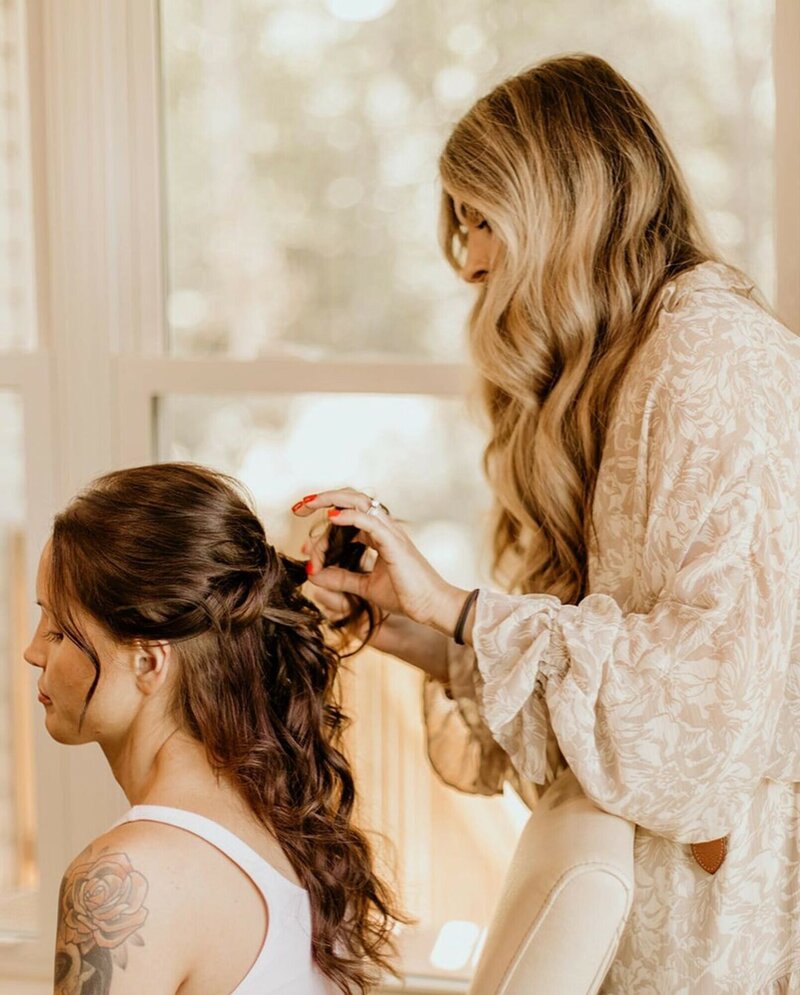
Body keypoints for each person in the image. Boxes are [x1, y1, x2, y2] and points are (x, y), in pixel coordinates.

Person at [293, 54, 800, 992]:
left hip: (716, 919)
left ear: (562, 204)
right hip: (658, 896)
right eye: (459, 225)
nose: (469, 259)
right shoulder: (640, 358)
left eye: (481, 218)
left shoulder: (712, 356)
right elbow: (603, 680)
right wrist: (416, 625)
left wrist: (461, 606)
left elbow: (710, 699)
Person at [25, 463, 402, 995]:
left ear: (149, 662)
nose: (33, 652)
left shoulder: (130, 875)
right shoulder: (282, 824)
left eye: (60, 630)